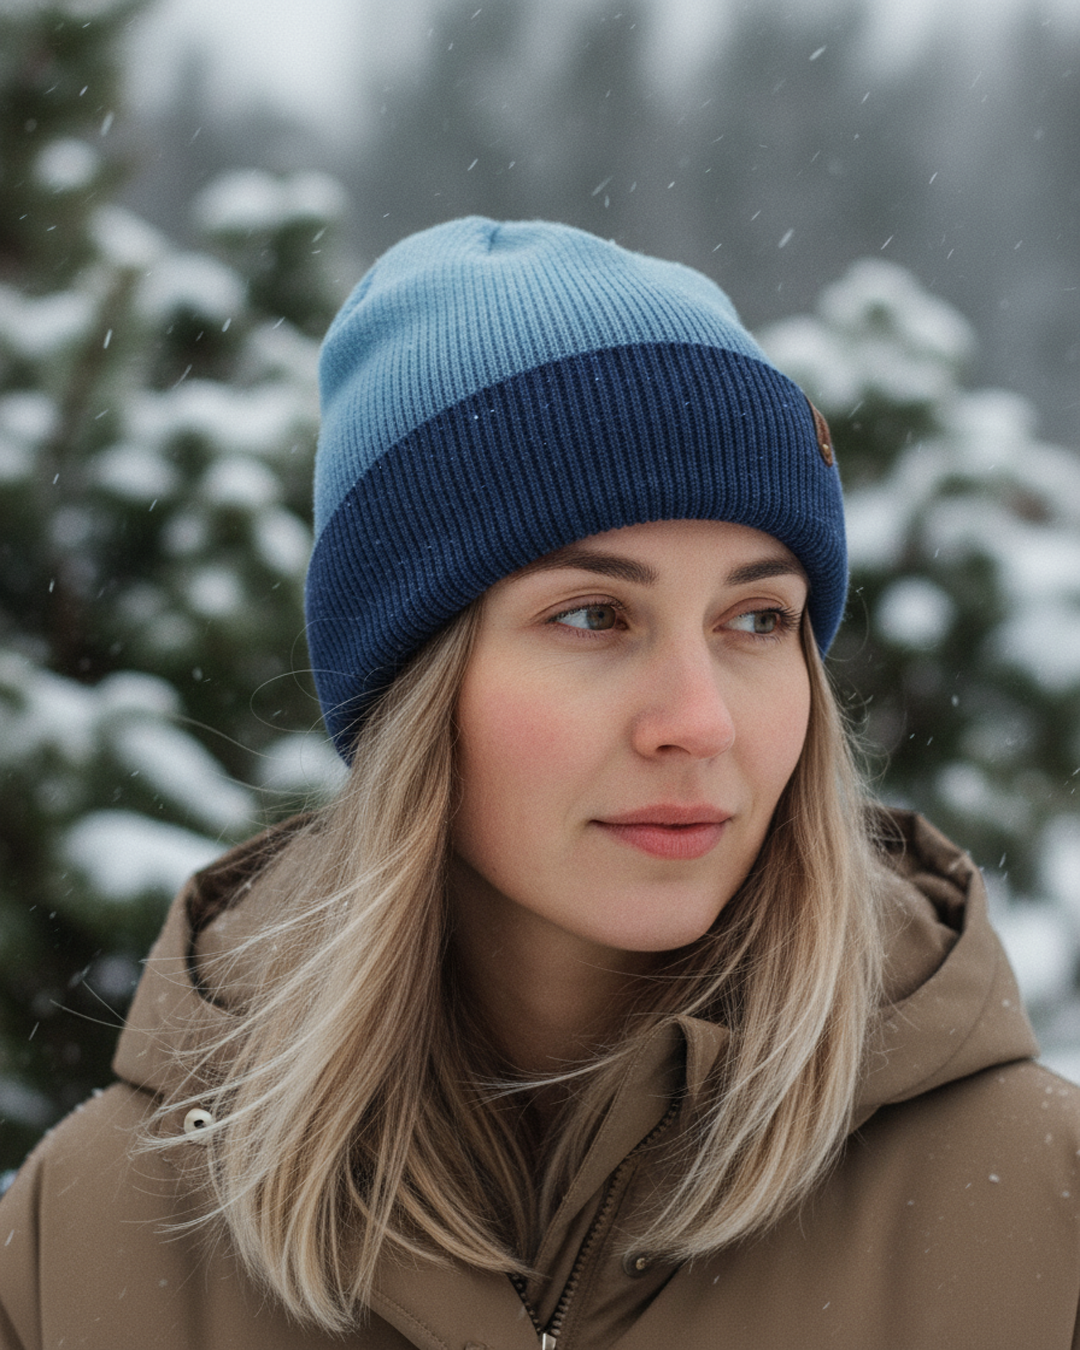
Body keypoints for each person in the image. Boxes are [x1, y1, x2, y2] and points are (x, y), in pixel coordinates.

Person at [1, 217, 1078, 1350]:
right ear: (410, 691)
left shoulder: (1041, 1216)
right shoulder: (86, 1247)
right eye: (593, 615)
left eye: (759, 619)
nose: (699, 721)